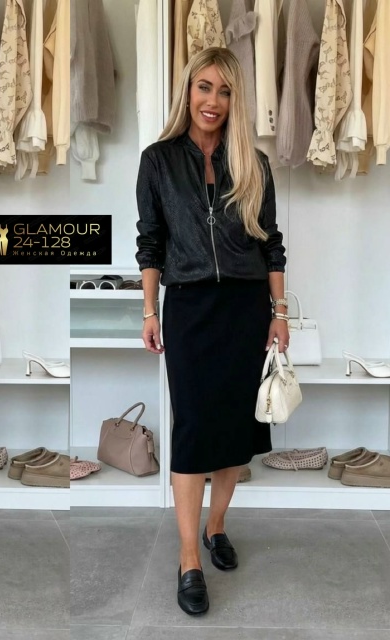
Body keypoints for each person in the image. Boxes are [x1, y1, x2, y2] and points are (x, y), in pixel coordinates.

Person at [135, 47, 289, 616]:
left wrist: (279, 312)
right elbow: (150, 242)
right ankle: (187, 557)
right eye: (205, 87)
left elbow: (271, 244)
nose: (213, 101)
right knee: (194, 430)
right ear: (188, 90)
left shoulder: (254, 162)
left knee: (235, 430)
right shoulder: (158, 160)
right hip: (190, 308)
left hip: (246, 308)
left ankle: (216, 525)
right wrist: (150, 310)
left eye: (225, 91)